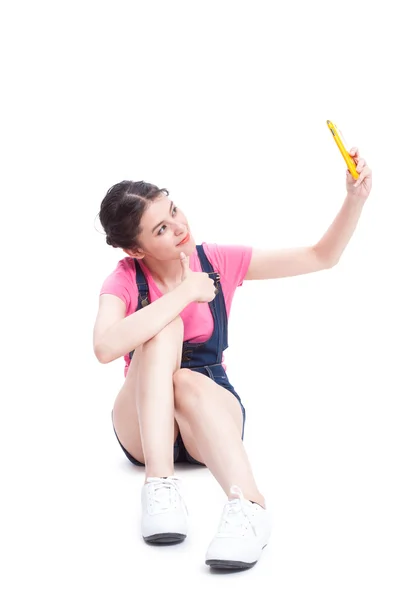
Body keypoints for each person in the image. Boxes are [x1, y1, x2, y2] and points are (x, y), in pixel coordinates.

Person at [93, 147, 372, 570]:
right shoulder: (124, 279)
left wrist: (355, 198)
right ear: (136, 251)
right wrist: (185, 293)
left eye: (174, 211)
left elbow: (321, 256)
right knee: (162, 328)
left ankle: (250, 508)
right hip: (146, 428)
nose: (180, 227)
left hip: (208, 409)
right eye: (162, 229)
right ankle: (160, 486)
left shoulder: (218, 261)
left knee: (185, 381)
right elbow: (105, 347)